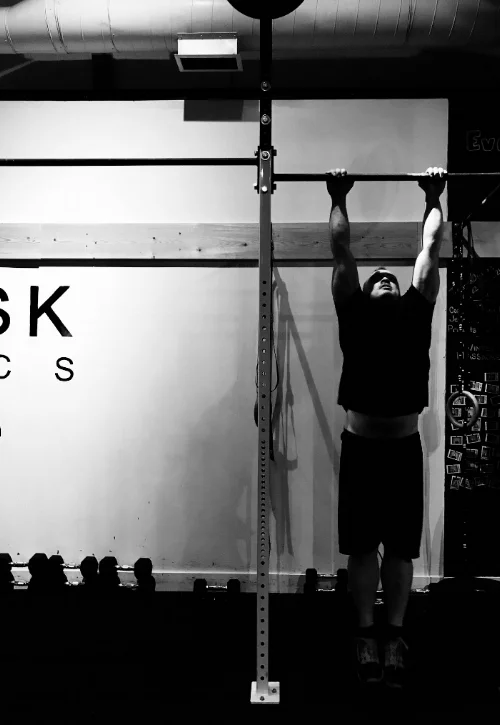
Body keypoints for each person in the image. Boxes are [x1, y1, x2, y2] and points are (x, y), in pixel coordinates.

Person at [326, 166, 447, 688]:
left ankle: (394, 636)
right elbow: (341, 249)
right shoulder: (352, 312)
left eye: (390, 277)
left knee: (399, 549)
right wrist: (337, 195)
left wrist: (433, 195)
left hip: (401, 451)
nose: (383, 277)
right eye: (376, 276)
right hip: (360, 450)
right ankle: (364, 634)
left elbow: (430, 247)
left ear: (401, 292)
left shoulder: (415, 313)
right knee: (360, 548)